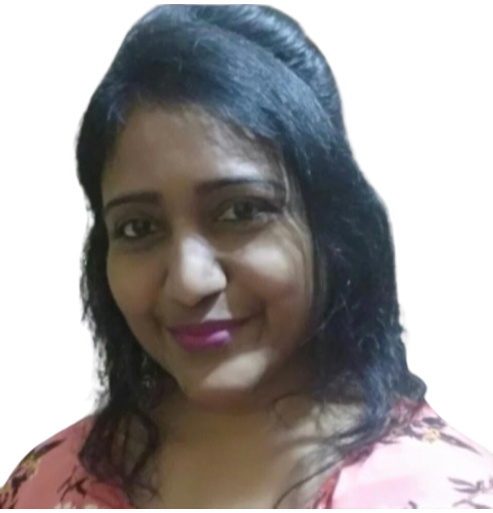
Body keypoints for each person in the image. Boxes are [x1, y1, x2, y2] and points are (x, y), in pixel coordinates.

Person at [2, 5, 492, 510]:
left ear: (331, 227)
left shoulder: (443, 492)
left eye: (241, 211)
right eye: (138, 228)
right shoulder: (46, 484)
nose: (189, 282)